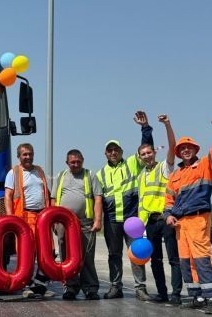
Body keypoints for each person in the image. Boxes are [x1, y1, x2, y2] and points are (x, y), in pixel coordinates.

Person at [164, 116, 212, 315]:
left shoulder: (205, 166)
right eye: (182, 148)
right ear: (179, 152)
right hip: (180, 224)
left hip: (199, 219)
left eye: (189, 147)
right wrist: (168, 216)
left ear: (194, 150)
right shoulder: (174, 176)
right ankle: (197, 296)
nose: (185, 150)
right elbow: (168, 201)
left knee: (202, 258)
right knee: (186, 260)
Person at [97, 110, 153, 300]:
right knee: (114, 255)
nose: (113, 153)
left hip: (132, 220)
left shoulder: (131, 163)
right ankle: (115, 287)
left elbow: (147, 149)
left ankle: (140, 288)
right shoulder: (100, 174)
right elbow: (96, 200)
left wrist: (145, 128)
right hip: (112, 221)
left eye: (116, 150)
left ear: (121, 151)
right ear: (105, 153)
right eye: (110, 150)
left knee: (136, 253)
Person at [137, 114, 182, 305]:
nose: (147, 155)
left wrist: (167, 125)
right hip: (150, 223)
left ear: (154, 153)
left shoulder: (164, 168)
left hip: (166, 218)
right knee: (155, 260)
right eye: (143, 154)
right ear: (140, 157)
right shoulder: (140, 176)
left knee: (173, 258)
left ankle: (176, 294)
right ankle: (162, 293)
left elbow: (172, 147)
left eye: (149, 152)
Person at [50, 149, 103, 301]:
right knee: (66, 257)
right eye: (72, 162)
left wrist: (98, 220)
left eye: (78, 161)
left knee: (87, 257)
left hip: (85, 223)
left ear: (83, 160)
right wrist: (54, 221)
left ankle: (90, 289)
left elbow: (97, 198)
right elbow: (53, 199)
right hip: (63, 223)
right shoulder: (60, 176)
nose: (75, 164)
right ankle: (70, 288)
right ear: (67, 163)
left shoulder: (90, 175)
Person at [4, 143, 54, 299]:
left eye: (30, 154)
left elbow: (47, 193)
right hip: (24, 218)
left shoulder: (39, 171)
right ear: (19, 156)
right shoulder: (14, 173)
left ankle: (40, 286)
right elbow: (8, 196)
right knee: (27, 253)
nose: (28, 157)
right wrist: (11, 218)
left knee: (47, 252)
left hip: (42, 218)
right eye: (25, 154)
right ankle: (24, 285)